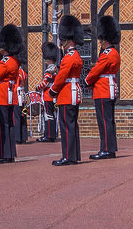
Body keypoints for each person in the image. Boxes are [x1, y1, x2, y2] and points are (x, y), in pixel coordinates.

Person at [49, 15, 84, 166]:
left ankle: (68, 157)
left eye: (63, 41)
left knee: (66, 126)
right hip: (73, 92)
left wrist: (52, 90)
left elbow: (61, 77)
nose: (62, 43)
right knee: (72, 125)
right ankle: (73, 155)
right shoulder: (75, 56)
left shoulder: (69, 58)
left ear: (68, 40)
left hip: (66, 94)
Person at [86, 15, 121, 160]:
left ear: (104, 39)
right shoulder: (114, 53)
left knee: (104, 121)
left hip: (103, 90)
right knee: (109, 121)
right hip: (109, 88)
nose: (99, 42)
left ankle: (106, 149)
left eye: (101, 39)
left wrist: (88, 81)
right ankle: (110, 149)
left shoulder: (107, 54)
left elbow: (95, 71)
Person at [0, 24, 22, 164]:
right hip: (9, 95)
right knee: (8, 125)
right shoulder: (14, 61)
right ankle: (9, 153)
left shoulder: (5, 62)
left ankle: (2, 154)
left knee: (1, 126)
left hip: (1, 96)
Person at [35, 42, 60, 143]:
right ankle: (51, 134)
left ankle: (49, 135)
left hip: (48, 96)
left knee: (48, 115)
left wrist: (37, 87)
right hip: (53, 96)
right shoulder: (55, 69)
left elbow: (45, 83)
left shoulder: (50, 70)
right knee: (52, 115)